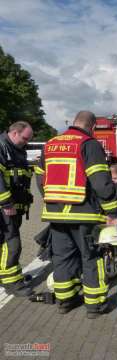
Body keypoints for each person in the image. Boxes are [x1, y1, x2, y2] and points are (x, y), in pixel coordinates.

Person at [37, 111, 117, 318]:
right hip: (84, 215)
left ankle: (66, 301)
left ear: (74, 123)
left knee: (62, 258)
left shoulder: (50, 144)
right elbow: (101, 182)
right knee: (91, 257)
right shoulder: (89, 144)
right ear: (92, 126)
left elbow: (40, 179)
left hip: (56, 215)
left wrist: (53, 200)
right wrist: (111, 211)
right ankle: (95, 306)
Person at [0, 121, 34, 296]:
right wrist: (5, 202)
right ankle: (12, 283)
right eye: (24, 138)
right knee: (12, 243)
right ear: (14, 133)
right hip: (5, 207)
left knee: (4, 242)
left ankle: (8, 275)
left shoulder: (17, 148)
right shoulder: (2, 147)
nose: (26, 142)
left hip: (14, 206)